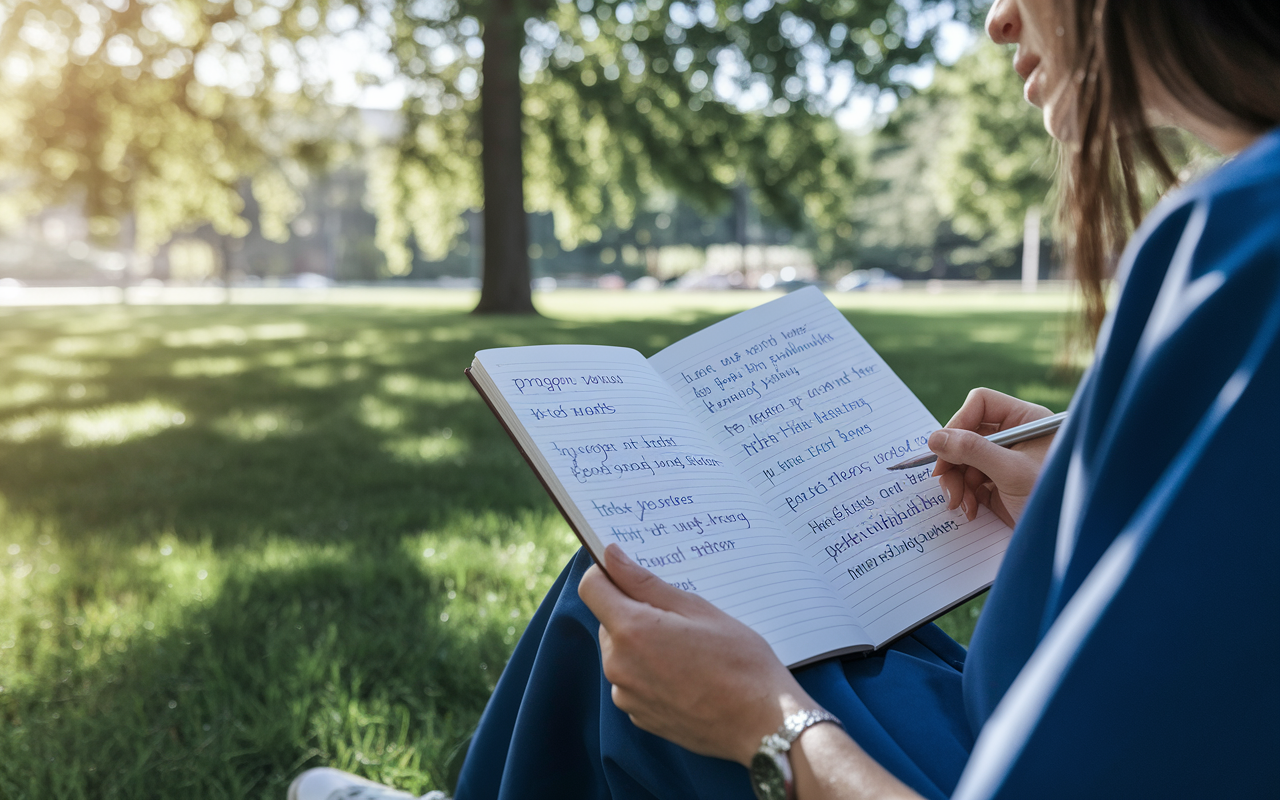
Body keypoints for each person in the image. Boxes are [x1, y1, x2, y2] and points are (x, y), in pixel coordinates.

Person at [290, 0, 1280, 797]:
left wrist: (766, 724)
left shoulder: (1243, 236)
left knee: (633, 620)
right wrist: (1082, 514)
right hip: (1017, 729)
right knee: (628, 596)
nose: (995, 20)